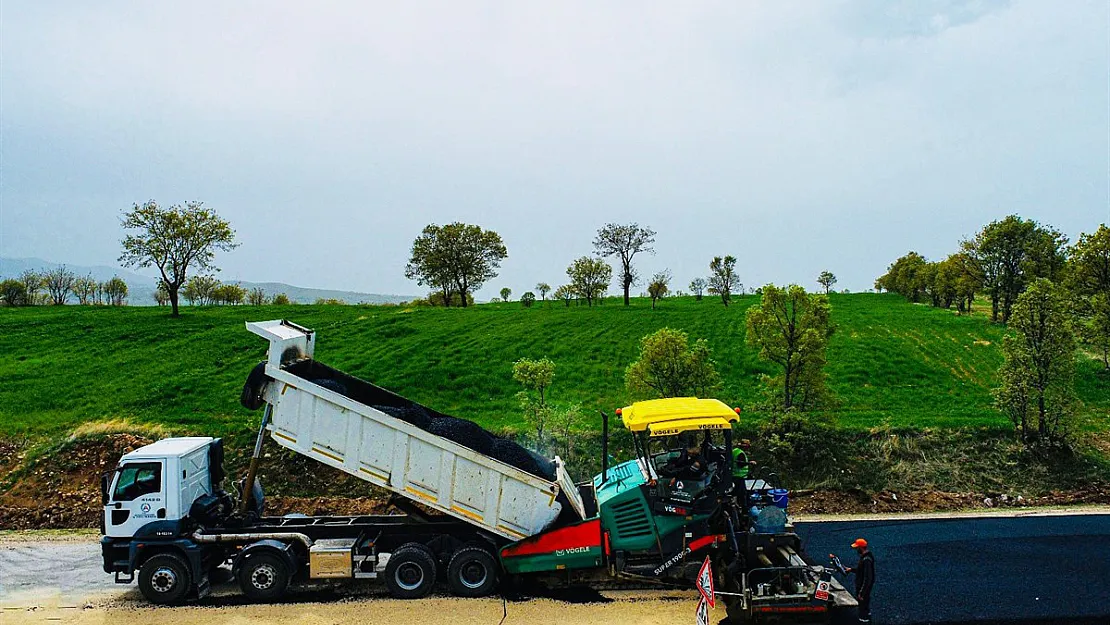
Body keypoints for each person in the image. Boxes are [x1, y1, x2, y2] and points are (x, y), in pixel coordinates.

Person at [841, 538, 875, 624]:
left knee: (863, 607)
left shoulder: (866, 560)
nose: (856, 550)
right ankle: (867, 618)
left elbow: (868, 577)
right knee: (865, 606)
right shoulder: (866, 558)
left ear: (861, 548)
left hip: (863, 589)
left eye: (857, 548)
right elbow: (861, 570)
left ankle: (864, 621)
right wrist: (851, 569)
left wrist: (861, 593)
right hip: (864, 588)